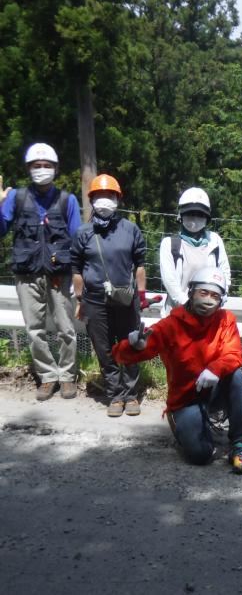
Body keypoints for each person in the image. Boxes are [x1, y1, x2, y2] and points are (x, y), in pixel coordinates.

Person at [113, 267, 242, 474]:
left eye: (215, 295)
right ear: (191, 292)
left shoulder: (226, 320)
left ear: (221, 300)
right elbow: (122, 356)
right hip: (185, 397)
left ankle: (239, 444)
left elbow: (233, 354)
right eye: (203, 293)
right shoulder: (171, 325)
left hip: (214, 390)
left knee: (236, 376)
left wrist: (215, 369)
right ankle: (184, 424)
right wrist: (134, 346)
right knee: (200, 455)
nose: (208, 300)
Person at [0, 143, 81, 400]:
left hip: (60, 274)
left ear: (56, 169)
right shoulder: (16, 197)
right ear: (28, 168)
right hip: (27, 274)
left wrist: (78, 275)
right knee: (34, 329)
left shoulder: (68, 200)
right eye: (37, 166)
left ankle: (68, 377)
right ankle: (47, 376)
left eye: (47, 166)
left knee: (66, 328)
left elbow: (78, 240)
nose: (42, 170)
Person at [71, 175, 148, 417]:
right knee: (104, 348)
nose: (105, 200)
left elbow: (140, 265)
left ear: (118, 199)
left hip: (126, 299)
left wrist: (142, 297)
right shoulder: (83, 233)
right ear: (91, 200)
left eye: (110, 196)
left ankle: (132, 394)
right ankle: (115, 395)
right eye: (99, 196)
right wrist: (80, 301)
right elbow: (76, 270)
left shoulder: (130, 229)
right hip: (94, 301)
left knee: (131, 345)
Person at [159, 187, 231, 317]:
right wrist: (188, 304)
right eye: (190, 214)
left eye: (200, 215)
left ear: (206, 217)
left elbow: (224, 271)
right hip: (178, 313)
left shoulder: (214, 241)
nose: (194, 219)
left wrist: (221, 295)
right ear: (181, 215)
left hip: (209, 311)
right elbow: (170, 281)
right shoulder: (170, 244)